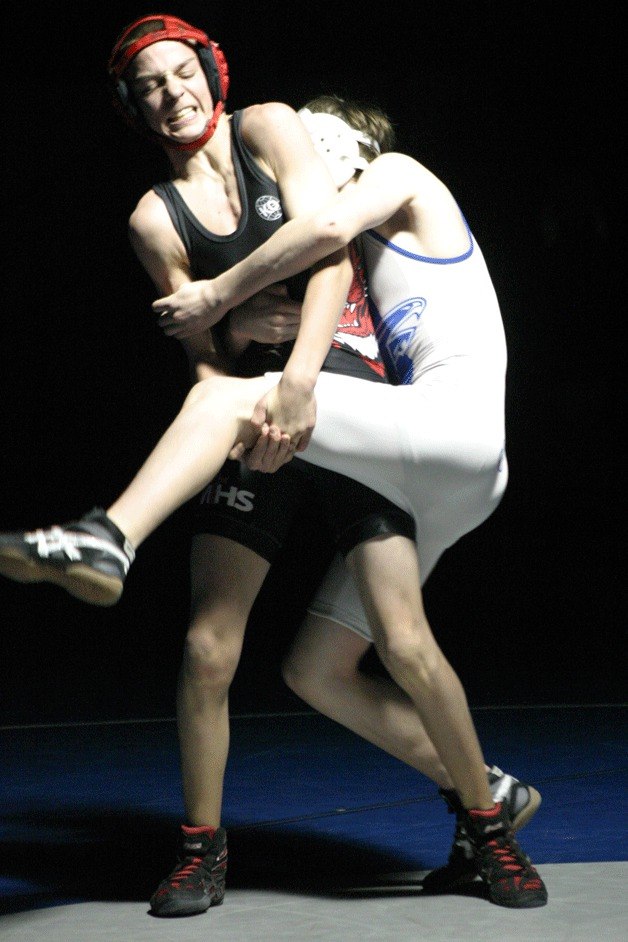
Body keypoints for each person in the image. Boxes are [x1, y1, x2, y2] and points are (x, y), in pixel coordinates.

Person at [0, 15, 547, 914]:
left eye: (183, 73)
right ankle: (202, 848)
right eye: (149, 85)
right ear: (131, 106)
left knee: (406, 640)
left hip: (342, 402)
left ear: (213, 74)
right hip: (253, 424)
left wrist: (272, 356)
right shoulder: (155, 217)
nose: (170, 92)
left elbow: (328, 248)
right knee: (213, 646)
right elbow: (202, 367)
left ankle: (109, 539)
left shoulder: (293, 139)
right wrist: (230, 348)